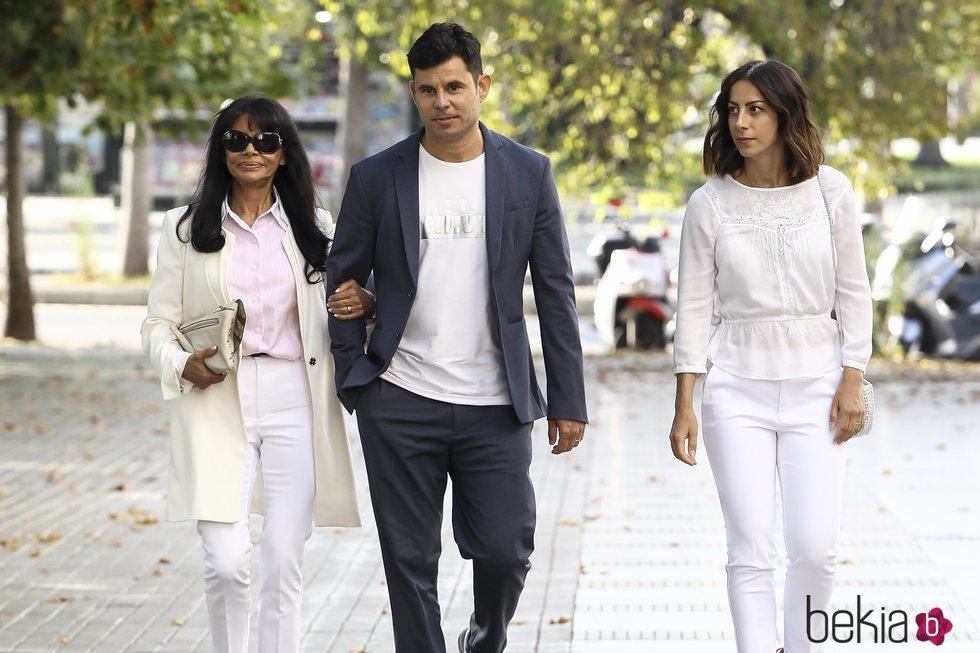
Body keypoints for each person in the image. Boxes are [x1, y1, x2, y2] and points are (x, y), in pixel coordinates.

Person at [326, 22, 588, 653]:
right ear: (414, 95)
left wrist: (569, 400)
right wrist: (353, 378)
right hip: (399, 396)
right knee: (408, 563)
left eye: (454, 87)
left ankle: (484, 638)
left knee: (505, 550)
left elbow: (556, 292)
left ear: (481, 86)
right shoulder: (376, 176)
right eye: (426, 90)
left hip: (495, 403)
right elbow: (342, 282)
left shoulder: (528, 174)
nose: (442, 102)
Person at [141, 96, 374, 653]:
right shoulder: (183, 228)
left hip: (296, 395)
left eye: (266, 141)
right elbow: (156, 325)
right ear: (220, 150)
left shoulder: (315, 227)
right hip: (217, 395)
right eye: (237, 139)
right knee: (225, 562)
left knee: (282, 560)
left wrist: (364, 303)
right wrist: (181, 365)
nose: (252, 150)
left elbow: (343, 308)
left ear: (284, 154)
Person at [668, 60, 872, 653]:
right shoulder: (708, 203)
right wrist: (686, 402)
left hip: (819, 385)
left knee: (815, 547)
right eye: (732, 109)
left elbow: (854, 291)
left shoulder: (832, 191)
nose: (741, 122)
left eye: (755, 109)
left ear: (786, 115)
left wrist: (853, 377)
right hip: (736, 389)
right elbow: (693, 308)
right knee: (749, 547)